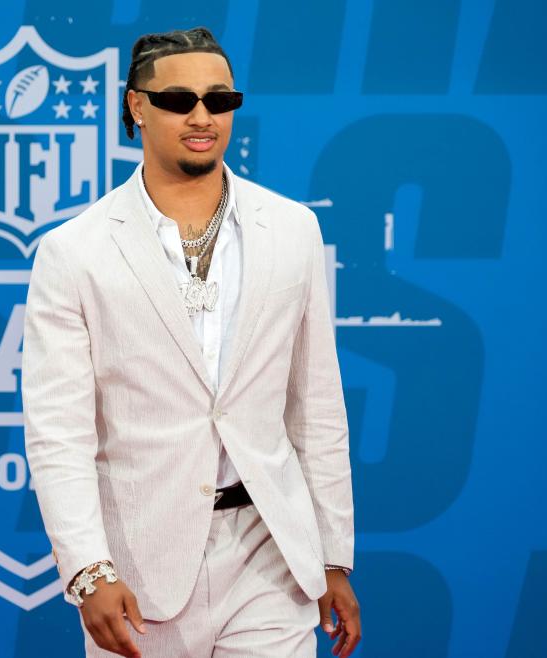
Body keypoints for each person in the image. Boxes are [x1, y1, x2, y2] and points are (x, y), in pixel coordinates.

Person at [22, 26, 361, 658]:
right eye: (179, 100)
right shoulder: (75, 251)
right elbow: (58, 431)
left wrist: (333, 556)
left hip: (272, 556)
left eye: (220, 100)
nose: (202, 116)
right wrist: (89, 570)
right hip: (140, 564)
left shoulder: (294, 230)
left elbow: (316, 404)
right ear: (137, 106)